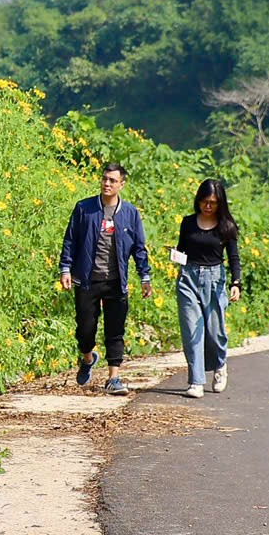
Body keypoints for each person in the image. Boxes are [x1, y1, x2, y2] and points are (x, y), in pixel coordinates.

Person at [59, 163, 152, 395]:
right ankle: (88, 358)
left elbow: (139, 248)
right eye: (104, 179)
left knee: (115, 330)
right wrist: (65, 269)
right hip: (87, 279)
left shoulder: (130, 214)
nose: (107, 184)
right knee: (85, 329)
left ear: (122, 184)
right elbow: (70, 240)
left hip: (116, 281)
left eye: (112, 180)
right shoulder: (84, 208)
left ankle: (113, 378)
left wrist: (145, 276)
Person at [174, 179, 241, 398]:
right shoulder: (188, 223)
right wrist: (175, 256)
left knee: (215, 331)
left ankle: (220, 366)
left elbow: (233, 258)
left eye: (213, 202)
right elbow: (182, 250)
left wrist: (236, 283)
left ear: (220, 203)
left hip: (215, 279)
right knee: (192, 328)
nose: (208, 206)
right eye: (204, 202)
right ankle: (195, 381)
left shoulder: (227, 227)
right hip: (188, 277)